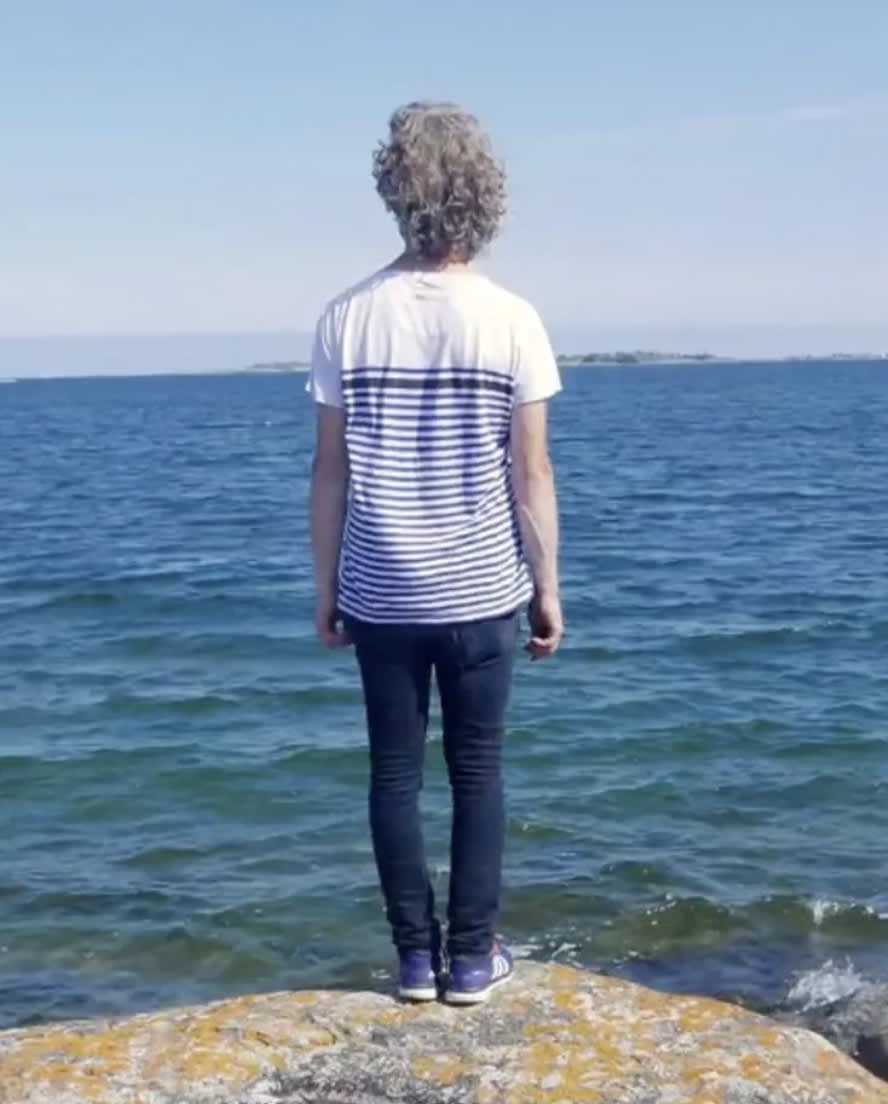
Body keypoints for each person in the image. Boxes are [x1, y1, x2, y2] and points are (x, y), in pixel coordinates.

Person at [308, 101, 563, 1005]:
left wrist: (326, 586)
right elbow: (529, 472)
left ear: (394, 189)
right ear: (481, 197)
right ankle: (471, 959)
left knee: (392, 776)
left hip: (382, 589)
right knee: (477, 775)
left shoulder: (348, 316)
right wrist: (549, 590)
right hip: (481, 588)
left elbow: (329, 470)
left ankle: (413, 959)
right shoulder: (512, 319)